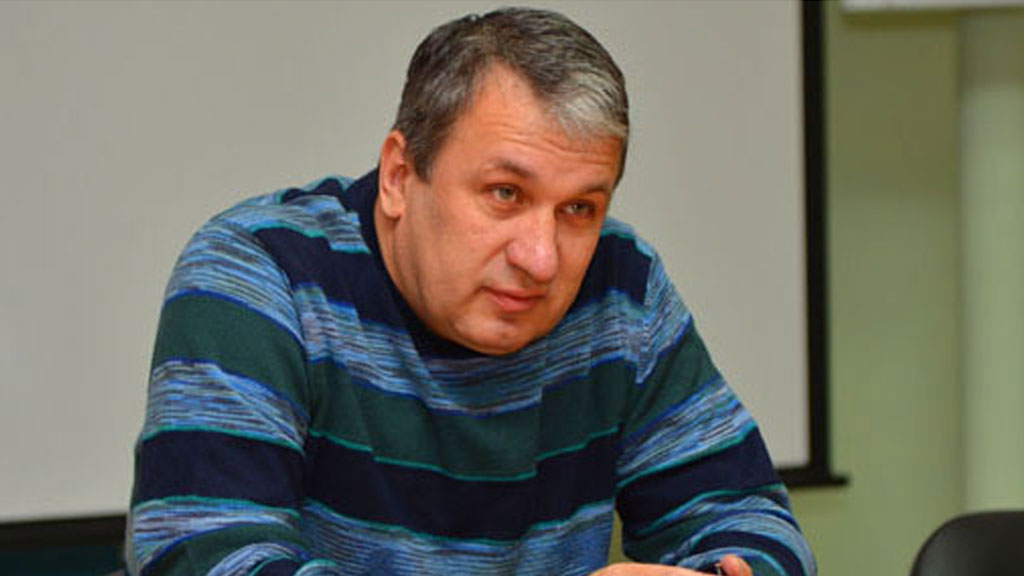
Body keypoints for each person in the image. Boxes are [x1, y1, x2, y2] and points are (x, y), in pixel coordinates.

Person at [127, 7, 815, 576]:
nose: (541, 258)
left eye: (579, 208)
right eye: (505, 193)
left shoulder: (620, 288)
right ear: (399, 176)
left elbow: (755, 524)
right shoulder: (260, 272)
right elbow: (206, 555)